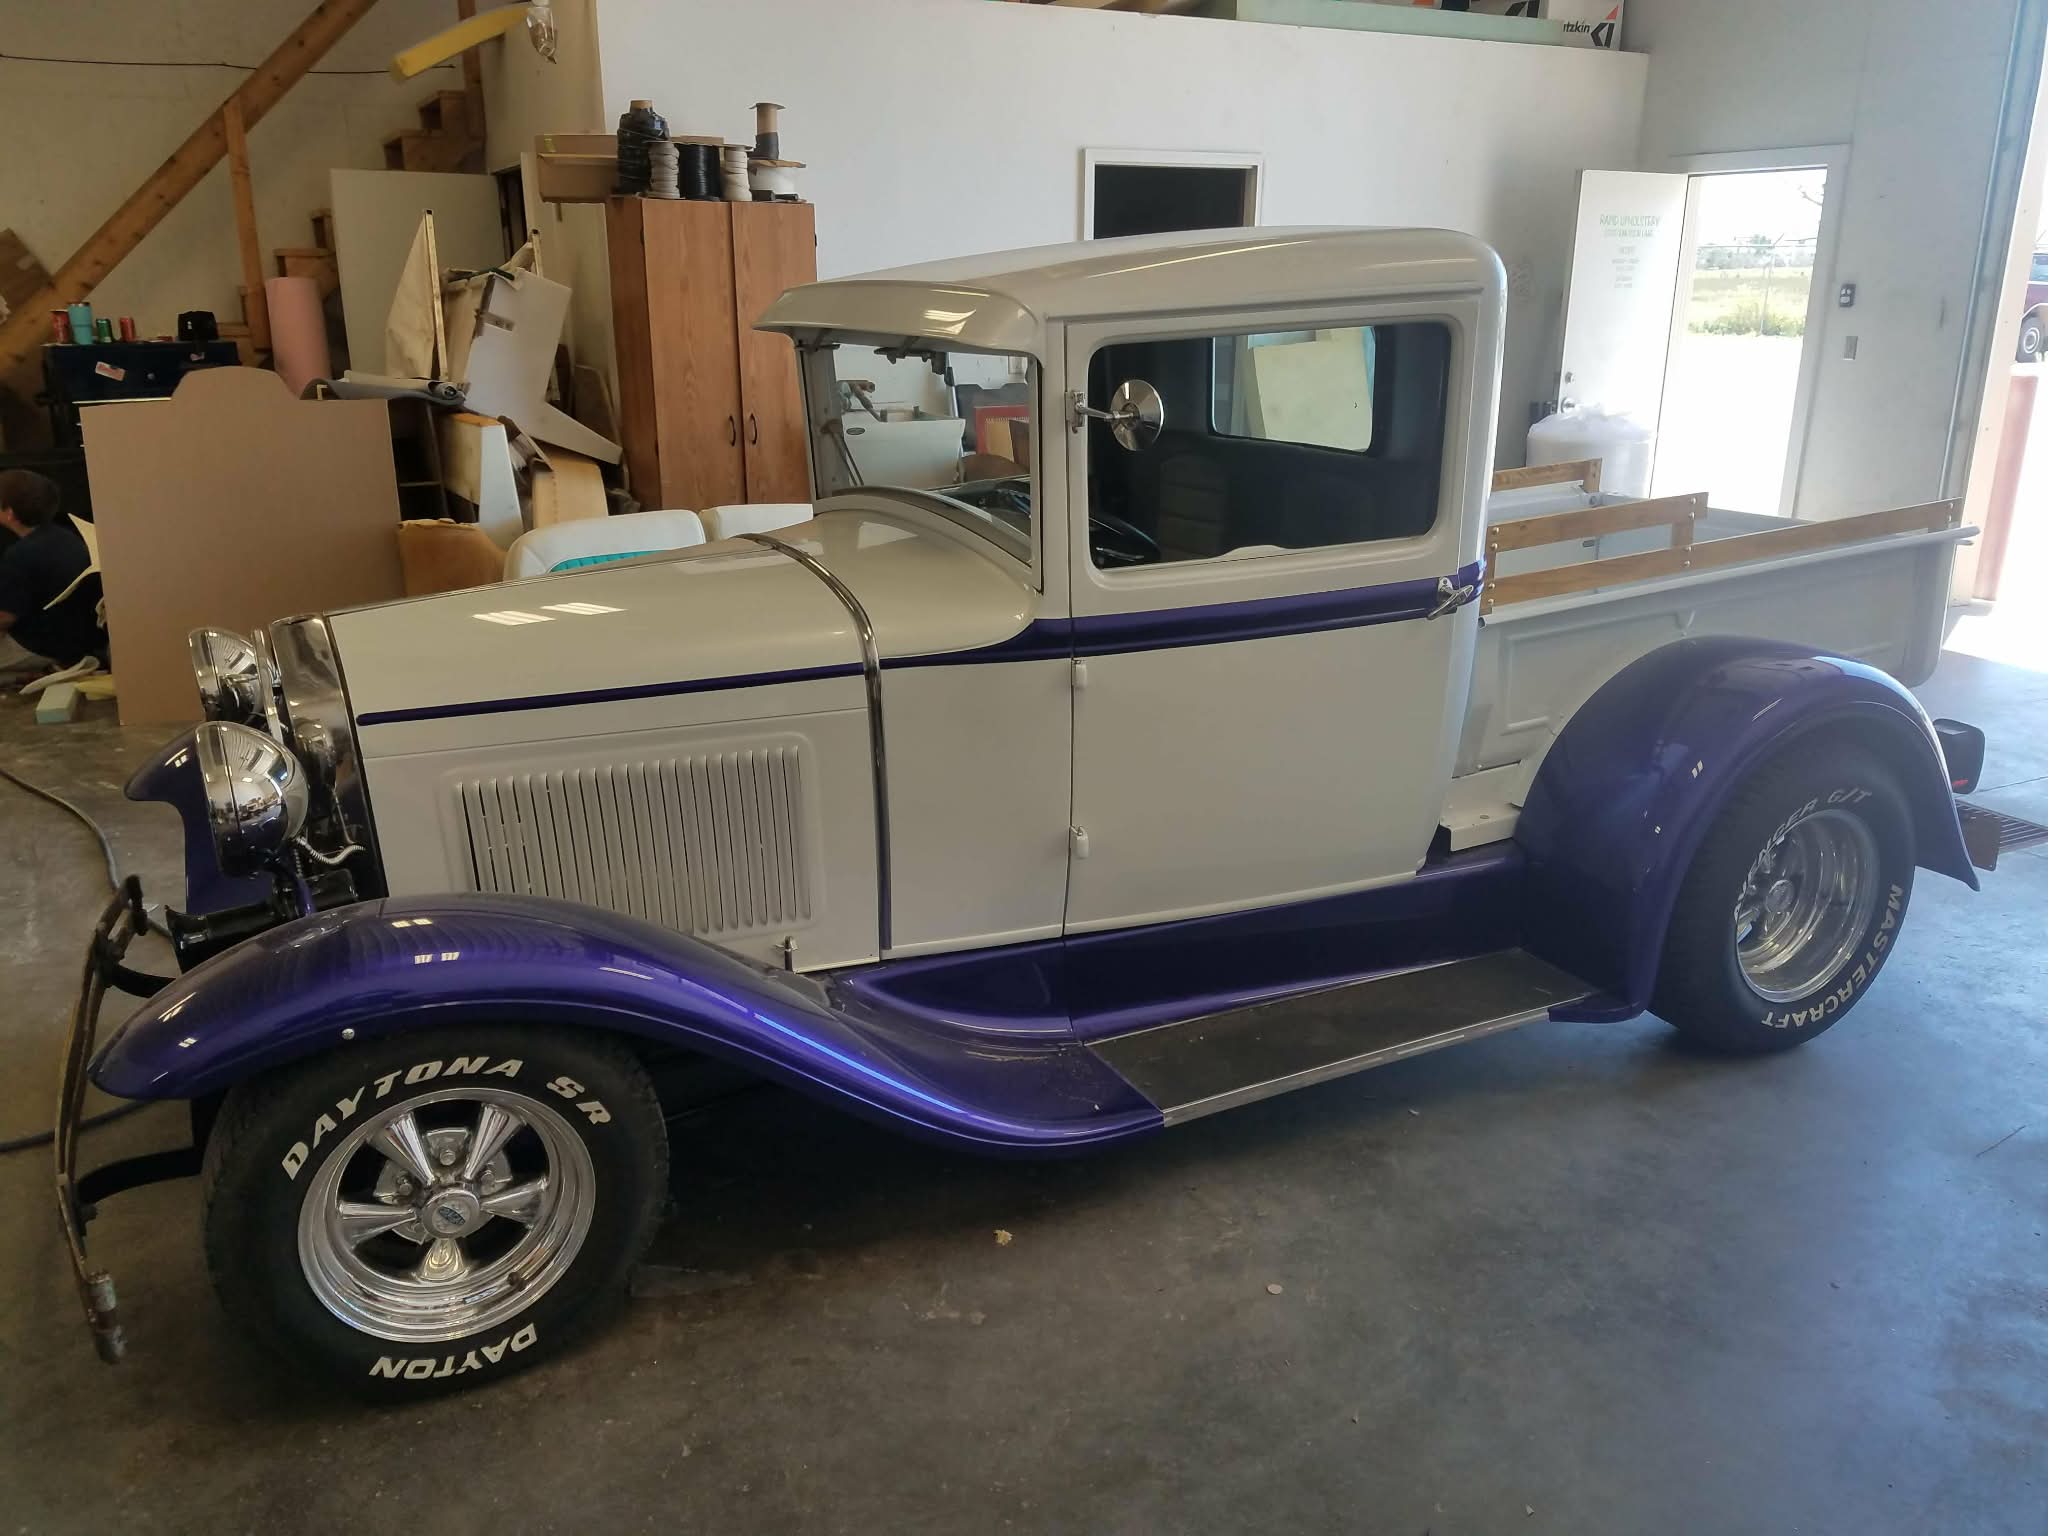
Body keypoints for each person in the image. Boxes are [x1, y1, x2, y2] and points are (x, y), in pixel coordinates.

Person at [0, 468, 107, 674]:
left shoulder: (21, 555)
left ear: (10, 514)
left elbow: (5, 617)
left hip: (43, 646)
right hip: (80, 639)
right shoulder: (67, 537)